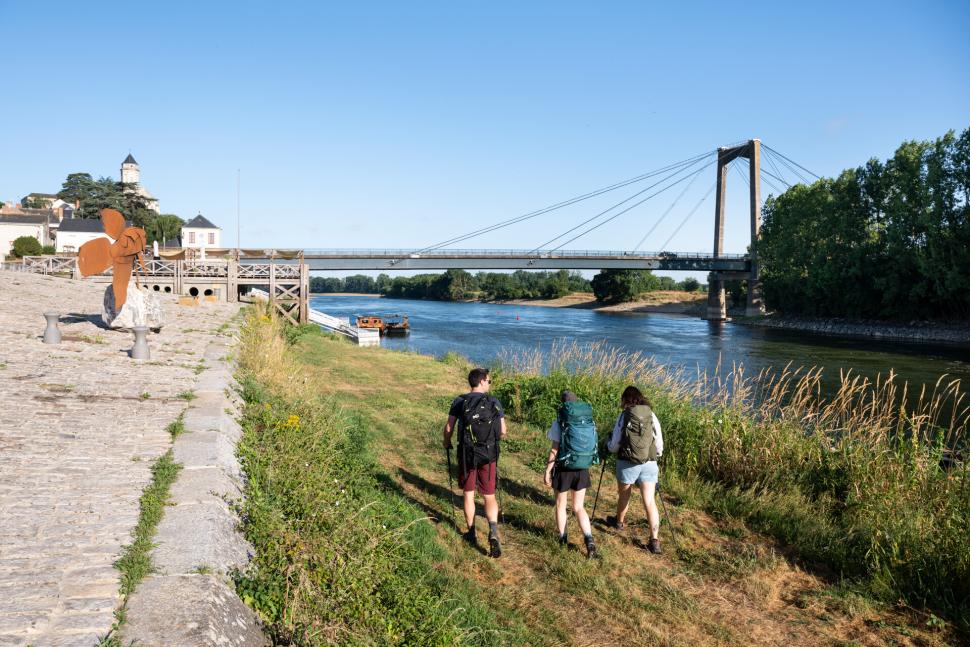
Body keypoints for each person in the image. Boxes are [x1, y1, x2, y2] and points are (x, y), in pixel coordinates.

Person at [443, 367, 508, 558]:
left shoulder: (460, 401)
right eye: (489, 381)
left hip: (467, 454)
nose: (489, 384)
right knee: (489, 495)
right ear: (481, 382)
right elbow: (503, 431)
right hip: (488, 454)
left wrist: (446, 443)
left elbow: (449, 428)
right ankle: (493, 530)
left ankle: (471, 532)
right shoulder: (493, 402)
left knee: (469, 494)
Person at [606, 385, 664, 554]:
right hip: (649, 462)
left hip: (627, 462)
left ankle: (619, 523)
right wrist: (655, 455)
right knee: (650, 501)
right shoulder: (651, 414)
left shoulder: (624, 415)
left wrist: (608, 446)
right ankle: (654, 540)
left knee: (624, 495)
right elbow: (659, 443)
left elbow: (615, 444)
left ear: (625, 400)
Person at [543, 390, 598, 558]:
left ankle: (563, 539)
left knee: (561, 505)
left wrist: (548, 471)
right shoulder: (587, 420)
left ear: (563, 404)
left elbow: (554, 449)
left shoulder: (560, 421)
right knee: (579, 507)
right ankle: (589, 539)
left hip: (564, 468)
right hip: (582, 468)